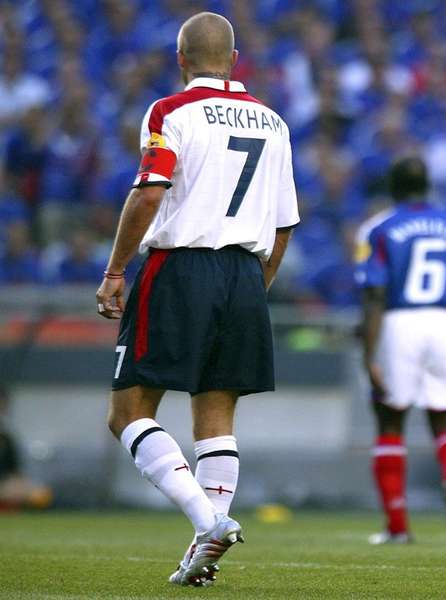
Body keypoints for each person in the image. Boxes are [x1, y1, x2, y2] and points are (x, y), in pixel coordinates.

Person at [95, 12, 299, 587]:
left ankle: (207, 520)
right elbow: (285, 224)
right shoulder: (275, 122)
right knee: (216, 419)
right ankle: (202, 554)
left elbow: (151, 190)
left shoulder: (170, 111)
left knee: (128, 412)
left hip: (181, 266)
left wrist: (115, 269)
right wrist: (254, 289)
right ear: (235, 60)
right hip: (244, 272)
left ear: (180, 59)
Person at [356, 156, 446, 544]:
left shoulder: (379, 229)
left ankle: (397, 528)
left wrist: (369, 352)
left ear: (392, 188)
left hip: (400, 321)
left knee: (390, 420)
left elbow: (374, 292)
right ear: (427, 186)